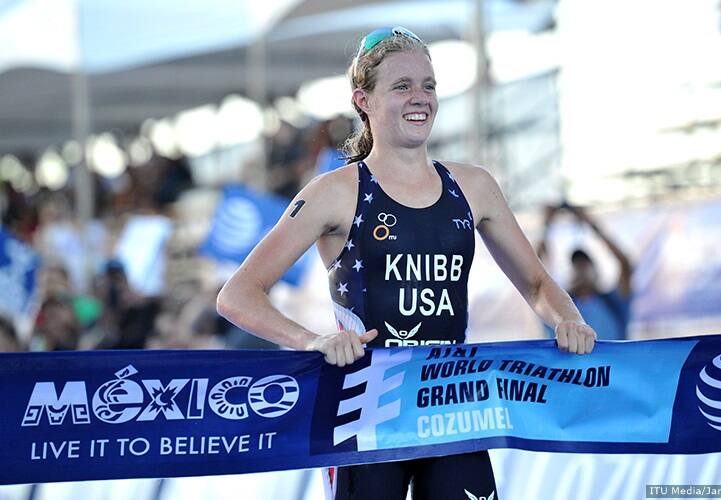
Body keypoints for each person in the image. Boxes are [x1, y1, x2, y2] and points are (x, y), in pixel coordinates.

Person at [217, 26, 597, 500]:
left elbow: (537, 284)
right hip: (364, 409)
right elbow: (237, 295)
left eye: (428, 85)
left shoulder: (474, 186)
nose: (420, 97)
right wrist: (312, 341)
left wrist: (569, 319)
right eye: (402, 86)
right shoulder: (334, 192)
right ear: (364, 101)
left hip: (451, 405)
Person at [538, 203, 634, 340]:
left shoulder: (612, 302)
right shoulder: (559, 307)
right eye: (576, 265)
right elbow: (534, 277)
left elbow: (625, 265)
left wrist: (592, 225)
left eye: (586, 265)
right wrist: (547, 227)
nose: (581, 270)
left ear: (596, 271)